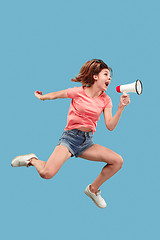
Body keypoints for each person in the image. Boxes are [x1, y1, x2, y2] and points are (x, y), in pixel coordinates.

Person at [11, 59, 130, 208]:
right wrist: (42, 96)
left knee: (117, 161)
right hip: (70, 138)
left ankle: (92, 190)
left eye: (110, 76)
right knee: (46, 174)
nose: (109, 78)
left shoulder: (106, 100)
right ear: (95, 76)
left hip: (87, 142)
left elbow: (110, 126)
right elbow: (57, 94)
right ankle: (32, 160)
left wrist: (121, 107)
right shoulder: (79, 92)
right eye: (106, 74)